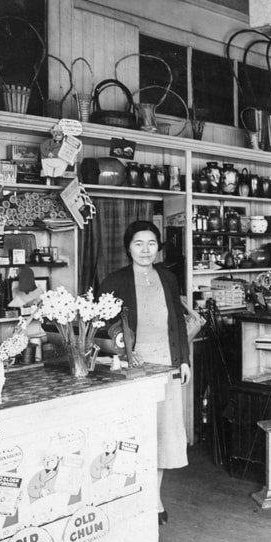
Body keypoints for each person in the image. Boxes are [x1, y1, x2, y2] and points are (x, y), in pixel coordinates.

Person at [99, 220, 190, 526]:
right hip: (133, 367)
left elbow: (177, 320)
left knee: (163, 434)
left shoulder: (168, 278)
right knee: (135, 432)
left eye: (151, 243)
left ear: (158, 247)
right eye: (139, 243)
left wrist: (184, 360)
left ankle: (154, 497)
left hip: (167, 363)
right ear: (128, 248)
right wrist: (122, 349)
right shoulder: (115, 281)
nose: (145, 250)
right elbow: (102, 327)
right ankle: (129, 495)